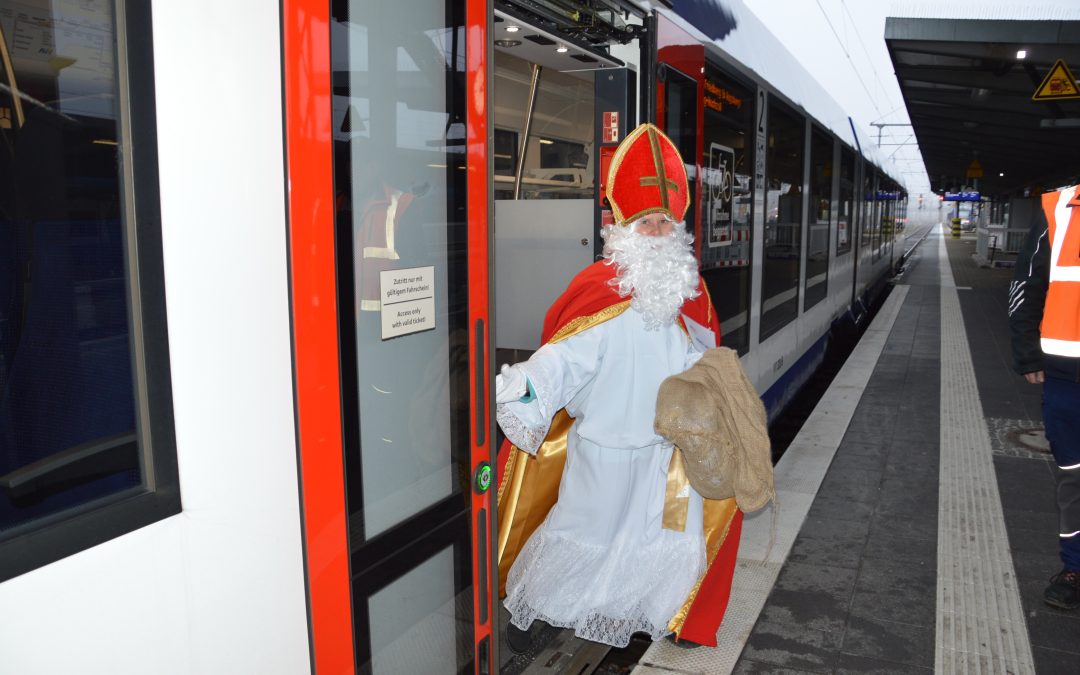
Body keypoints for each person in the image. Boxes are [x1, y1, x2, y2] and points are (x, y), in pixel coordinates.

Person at [494, 123, 742, 649]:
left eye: (665, 222)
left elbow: (708, 363)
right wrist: (529, 386)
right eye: (646, 222)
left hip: (666, 456)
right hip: (603, 451)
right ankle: (545, 612)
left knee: (661, 540)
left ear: (679, 229)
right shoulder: (598, 292)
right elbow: (563, 357)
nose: (656, 232)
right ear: (623, 226)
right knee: (583, 534)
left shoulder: (690, 295)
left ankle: (667, 615)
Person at [1009, 182, 1080, 609]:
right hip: (1066, 379)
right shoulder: (1060, 208)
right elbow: (1026, 287)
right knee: (1073, 477)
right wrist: (1027, 354)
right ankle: (1074, 568)